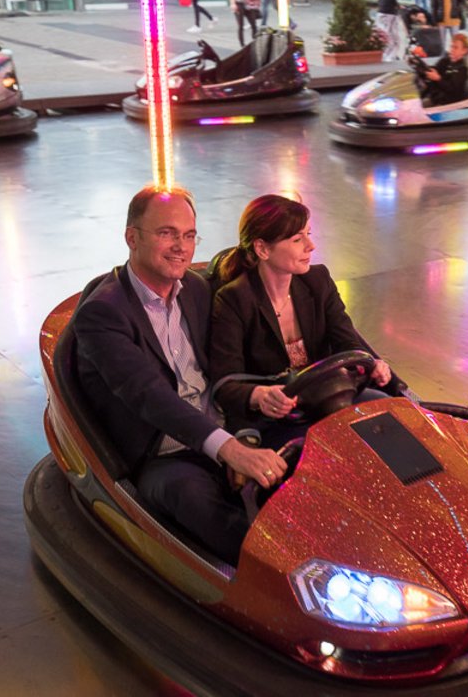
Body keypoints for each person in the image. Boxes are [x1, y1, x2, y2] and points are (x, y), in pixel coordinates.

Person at [74, 186, 287, 563]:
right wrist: (229, 449)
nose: (181, 247)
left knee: (307, 455)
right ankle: (281, 575)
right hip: (163, 453)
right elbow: (149, 395)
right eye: (167, 233)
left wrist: (244, 437)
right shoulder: (103, 314)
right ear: (132, 238)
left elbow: (226, 372)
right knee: (194, 499)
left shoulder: (196, 291)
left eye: (189, 236)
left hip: (224, 432)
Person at [210, 195, 393, 449]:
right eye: (298, 239)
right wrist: (260, 396)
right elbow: (225, 384)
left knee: (394, 420)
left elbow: (348, 343)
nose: (311, 246)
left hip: (332, 396)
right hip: (280, 418)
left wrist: (372, 365)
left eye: (309, 234)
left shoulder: (318, 281)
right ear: (262, 249)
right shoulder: (234, 300)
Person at [416, 32, 468, 105]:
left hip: (448, 104)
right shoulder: (445, 62)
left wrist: (438, 79)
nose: (452, 50)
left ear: (464, 51)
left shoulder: (462, 69)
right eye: (451, 47)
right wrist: (420, 67)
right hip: (435, 98)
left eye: (455, 47)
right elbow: (433, 70)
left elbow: (453, 91)